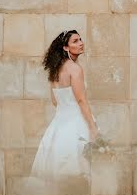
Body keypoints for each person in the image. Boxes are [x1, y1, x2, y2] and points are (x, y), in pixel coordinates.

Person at [30, 30, 99, 179]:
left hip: (58, 124)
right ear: (66, 48)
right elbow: (81, 101)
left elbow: (55, 101)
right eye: (75, 41)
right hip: (76, 123)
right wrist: (93, 127)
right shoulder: (75, 69)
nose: (81, 43)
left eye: (80, 39)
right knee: (78, 171)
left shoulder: (55, 70)